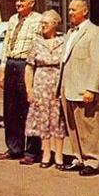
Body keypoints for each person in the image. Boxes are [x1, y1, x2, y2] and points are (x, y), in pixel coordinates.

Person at [58, 0, 99, 176]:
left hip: (85, 89)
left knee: (89, 127)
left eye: (74, 9)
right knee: (73, 127)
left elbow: (98, 63)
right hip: (68, 88)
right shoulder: (70, 33)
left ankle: (93, 162)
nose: (70, 13)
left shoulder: (95, 32)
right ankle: (79, 158)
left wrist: (91, 89)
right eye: (69, 9)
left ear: (85, 11)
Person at [0, 0, 42, 163]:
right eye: (16, 0)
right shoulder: (13, 20)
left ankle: (32, 151)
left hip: (27, 66)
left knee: (29, 110)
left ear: (31, 3)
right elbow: (6, 45)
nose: (18, 4)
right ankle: (14, 148)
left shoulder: (38, 21)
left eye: (22, 1)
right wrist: (2, 68)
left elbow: (41, 45)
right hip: (11, 64)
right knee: (11, 109)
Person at [24, 9, 67, 168]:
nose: (42, 26)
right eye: (41, 23)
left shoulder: (64, 41)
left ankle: (59, 155)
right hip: (41, 84)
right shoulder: (36, 43)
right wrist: (29, 89)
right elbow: (29, 68)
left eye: (46, 23)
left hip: (58, 84)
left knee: (58, 119)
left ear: (55, 24)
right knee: (43, 118)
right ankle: (46, 153)